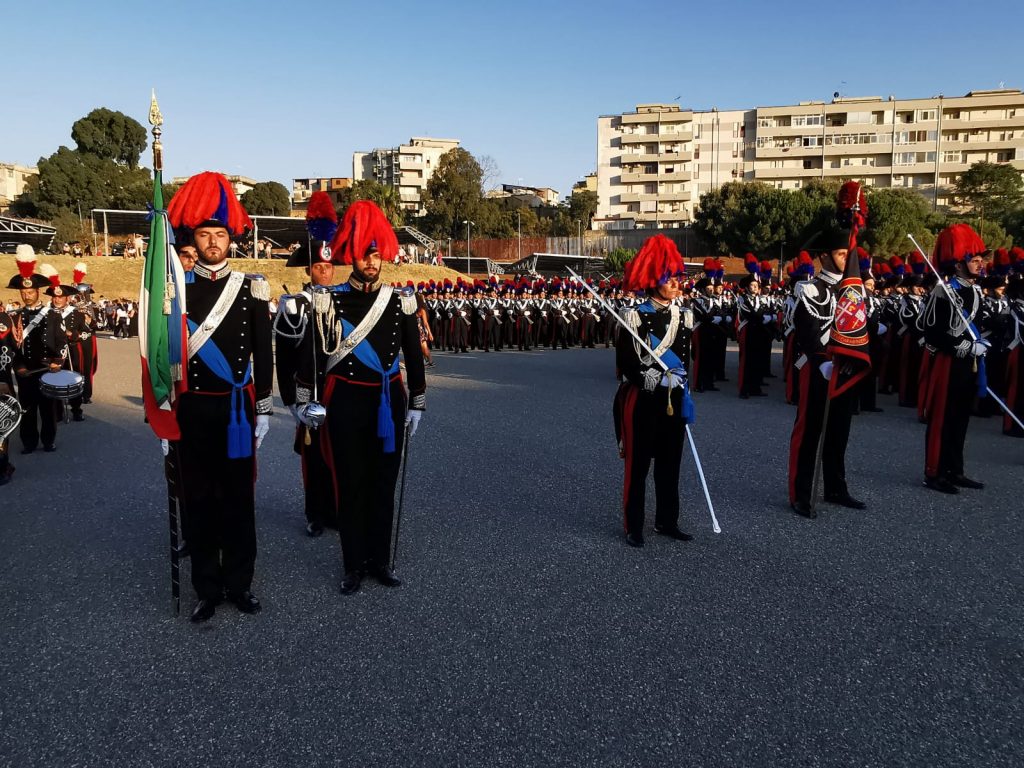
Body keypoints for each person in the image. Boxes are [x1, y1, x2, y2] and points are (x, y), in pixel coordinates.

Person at [294, 201, 426, 595]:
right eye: (364, 254)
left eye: (376, 253)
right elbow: (313, 355)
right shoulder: (326, 300)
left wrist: (417, 399)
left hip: (388, 400)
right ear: (351, 255)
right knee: (350, 484)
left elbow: (413, 353)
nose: (372, 261)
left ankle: (379, 561)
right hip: (346, 402)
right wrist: (304, 400)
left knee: (384, 483)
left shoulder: (399, 301)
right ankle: (353, 564)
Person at [166, 172, 273, 623]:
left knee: (238, 499)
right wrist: (162, 413)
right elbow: (162, 354)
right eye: (205, 235)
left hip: (235, 410)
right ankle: (207, 587)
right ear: (193, 237)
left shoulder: (251, 289)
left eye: (220, 234)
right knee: (200, 500)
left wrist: (264, 406)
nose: (212, 242)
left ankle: (240, 584)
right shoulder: (177, 291)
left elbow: (263, 352)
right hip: (192, 408)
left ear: (232, 238)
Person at [613, 234, 695, 548]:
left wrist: (683, 383)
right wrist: (651, 378)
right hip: (644, 399)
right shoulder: (633, 317)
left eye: (678, 278)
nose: (677, 284)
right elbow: (626, 364)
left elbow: (686, 357)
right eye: (670, 278)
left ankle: (667, 520)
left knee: (670, 463)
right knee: (638, 465)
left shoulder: (684, 316)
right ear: (653, 280)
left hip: (673, 397)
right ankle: (634, 524)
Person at [787, 225, 865, 518]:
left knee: (839, 431)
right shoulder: (808, 288)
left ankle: (836, 487)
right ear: (824, 257)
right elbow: (805, 331)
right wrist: (821, 361)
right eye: (841, 253)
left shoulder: (854, 290)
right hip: (817, 367)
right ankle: (801, 493)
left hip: (844, 368)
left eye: (849, 253)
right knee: (809, 431)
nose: (847, 259)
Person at [275, 236, 338, 537]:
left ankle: (336, 510)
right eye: (319, 266)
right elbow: (285, 358)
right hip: (308, 390)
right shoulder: (294, 305)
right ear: (308, 270)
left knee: (340, 454)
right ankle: (315, 513)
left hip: (340, 389)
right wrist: (290, 401)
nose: (326, 272)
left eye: (329, 266)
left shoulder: (344, 301)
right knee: (314, 459)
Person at [920, 224, 989, 494]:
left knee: (961, 418)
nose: (980, 264)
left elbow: (978, 325)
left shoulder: (975, 292)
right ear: (958, 264)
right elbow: (931, 331)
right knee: (942, 418)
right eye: (974, 260)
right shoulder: (943, 292)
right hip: (948, 363)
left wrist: (980, 343)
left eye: (981, 259)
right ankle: (934, 471)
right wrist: (964, 346)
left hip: (967, 365)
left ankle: (955, 469)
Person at [7, 247, 63, 454]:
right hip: (25, 372)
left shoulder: (52, 316)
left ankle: (48, 440)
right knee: (27, 409)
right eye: (23, 292)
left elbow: (60, 341)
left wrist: (58, 361)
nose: (26, 295)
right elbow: (11, 348)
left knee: (47, 409)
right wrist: (18, 366)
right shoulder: (15, 317)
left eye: (30, 292)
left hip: (46, 369)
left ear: (37, 292)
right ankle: (29, 442)